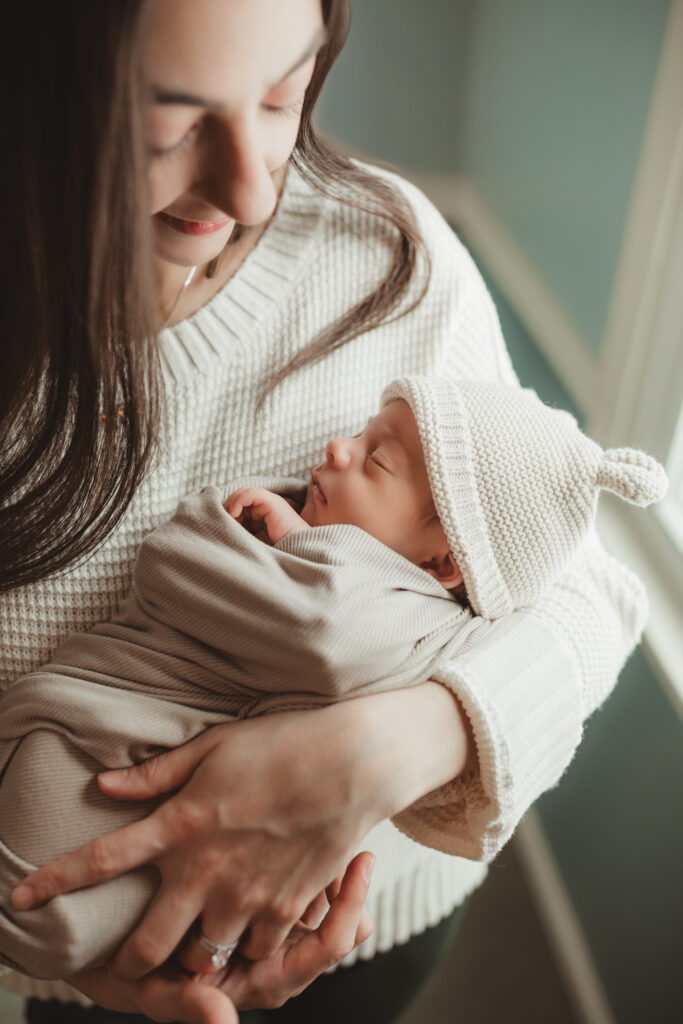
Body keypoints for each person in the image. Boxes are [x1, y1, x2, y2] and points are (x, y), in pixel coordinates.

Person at [0, 2, 650, 1022]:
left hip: (382, 927)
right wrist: (49, 949)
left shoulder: (382, 252)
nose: (256, 184)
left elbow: (590, 592)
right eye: (171, 122)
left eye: (280, 92)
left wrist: (392, 746)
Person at [0, 376, 667, 984]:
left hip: (308, 906)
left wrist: (293, 541)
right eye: (359, 432)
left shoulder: (401, 619)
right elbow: (185, 580)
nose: (337, 448)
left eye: (375, 458)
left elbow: (323, 627)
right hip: (123, 774)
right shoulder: (374, 558)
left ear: (438, 565)